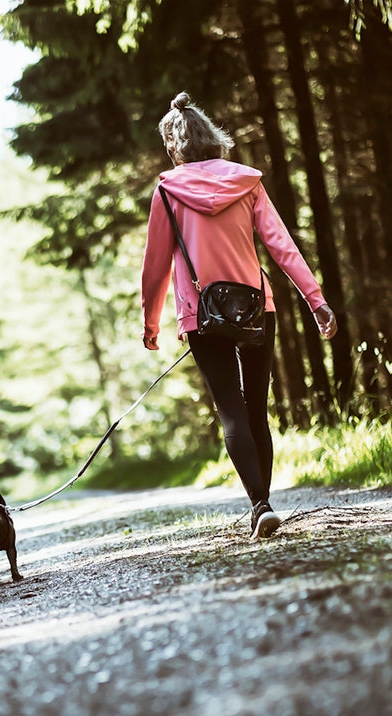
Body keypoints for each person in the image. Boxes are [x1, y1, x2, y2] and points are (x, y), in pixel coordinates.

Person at [141, 92, 338, 540]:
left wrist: (151, 324)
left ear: (174, 147)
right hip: (255, 309)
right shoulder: (247, 182)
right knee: (256, 412)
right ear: (212, 138)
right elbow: (281, 244)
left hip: (202, 315)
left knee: (230, 411)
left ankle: (260, 505)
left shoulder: (167, 192)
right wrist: (316, 299)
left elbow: (154, 267)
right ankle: (263, 505)